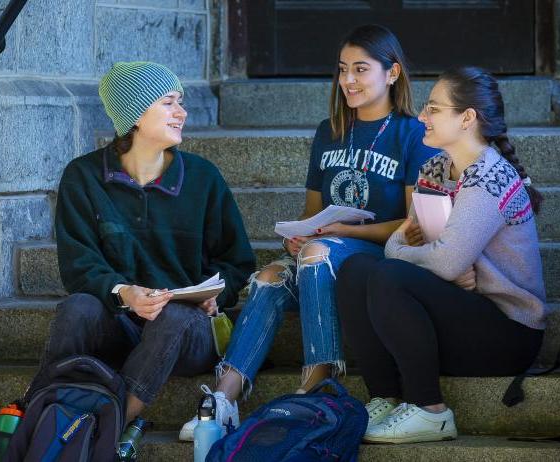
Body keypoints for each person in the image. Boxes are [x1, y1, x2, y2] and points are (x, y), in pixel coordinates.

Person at [180, 24, 439, 441]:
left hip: (375, 263)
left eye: (360, 69)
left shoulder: (412, 134)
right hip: (323, 254)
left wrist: (331, 234)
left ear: (392, 74)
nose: (348, 81)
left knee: (318, 252)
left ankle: (317, 383)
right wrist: (296, 238)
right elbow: (312, 215)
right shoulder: (329, 130)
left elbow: (414, 225)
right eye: (342, 70)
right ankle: (224, 399)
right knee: (269, 276)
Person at [24, 61, 256, 426]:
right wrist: (124, 292)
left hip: (188, 332)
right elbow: (79, 266)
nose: (181, 112)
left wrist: (214, 295)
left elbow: (237, 262)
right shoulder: (83, 177)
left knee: (174, 314)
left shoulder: (203, 178)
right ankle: (42, 412)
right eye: (168, 102)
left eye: (180, 102)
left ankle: (111, 425)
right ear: (133, 115)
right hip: (121, 324)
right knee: (77, 308)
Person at [336, 67, 548, 444]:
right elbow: (432, 255)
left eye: (433, 109)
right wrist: (431, 261)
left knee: (388, 274)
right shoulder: (434, 169)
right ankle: (385, 397)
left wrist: (407, 253)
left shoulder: (490, 176)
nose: (421, 117)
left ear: (467, 118)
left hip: (506, 332)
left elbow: (439, 260)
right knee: (355, 270)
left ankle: (430, 411)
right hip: (457, 314)